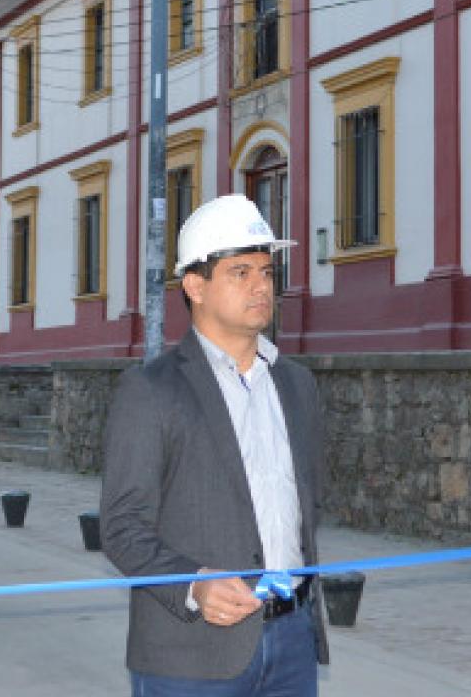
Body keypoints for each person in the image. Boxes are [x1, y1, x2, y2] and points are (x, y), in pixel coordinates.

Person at [101, 193, 329, 696]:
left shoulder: (297, 385)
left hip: (292, 644)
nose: (261, 286)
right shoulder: (152, 390)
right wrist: (193, 584)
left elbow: (305, 505)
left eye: (266, 272)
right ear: (195, 286)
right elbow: (120, 526)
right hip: (190, 656)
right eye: (240, 272)